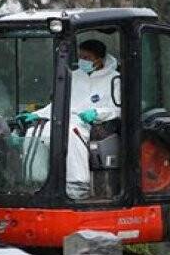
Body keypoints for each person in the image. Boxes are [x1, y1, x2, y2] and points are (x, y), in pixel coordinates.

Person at [23, 39, 120, 199]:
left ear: (99, 59)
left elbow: (118, 109)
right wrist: (38, 114)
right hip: (65, 118)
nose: (83, 61)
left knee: (70, 133)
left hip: (92, 123)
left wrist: (97, 113)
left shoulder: (114, 80)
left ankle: (77, 185)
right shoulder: (73, 76)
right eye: (81, 57)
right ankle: (35, 181)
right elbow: (58, 103)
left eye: (87, 58)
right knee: (37, 131)